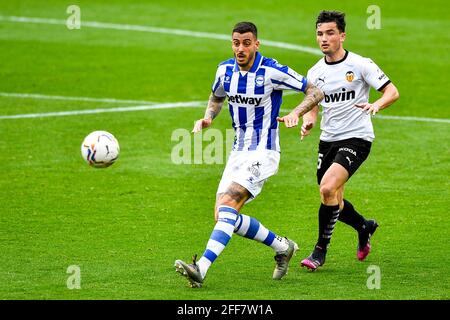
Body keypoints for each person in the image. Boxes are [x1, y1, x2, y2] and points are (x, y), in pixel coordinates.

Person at [174, 21, 324, 287]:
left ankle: (201, 268)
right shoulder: (224, 70)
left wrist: (296, 113)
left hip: (264, 151)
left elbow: (315, 91)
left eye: (246, 43)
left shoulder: (271, 70)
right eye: (236, 43)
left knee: (230, 202)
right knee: (223, 216)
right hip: (237, 151)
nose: (240, 48)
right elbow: (217, 97)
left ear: (256, 43)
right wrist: (208, 118)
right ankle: (282, 246)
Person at [296, 10, 400, 270]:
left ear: (342, 35)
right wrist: (309, 119)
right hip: (328, 140)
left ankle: (319, 251)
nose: (324, 38)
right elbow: (314, 103)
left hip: (357, 138)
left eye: (330, 33)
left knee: (327, 189)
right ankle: (364, 226)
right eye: (320, 33)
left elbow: (392, 91)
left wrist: (377, 105)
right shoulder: (316, 71)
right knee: (334, 200)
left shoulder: (360, 64)